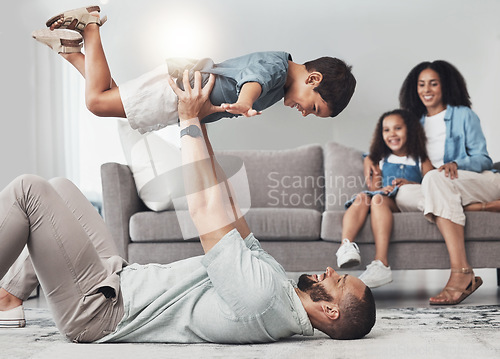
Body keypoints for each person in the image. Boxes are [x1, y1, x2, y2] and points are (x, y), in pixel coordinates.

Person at [0, 70, 376, 342]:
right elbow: (227, 207)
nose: (331, 269)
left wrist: (187, 120)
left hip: (98, 310)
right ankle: (9, 297)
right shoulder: (279, 286)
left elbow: (204, 212)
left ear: (331, 311)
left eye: (339, 280)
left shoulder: (261, 300)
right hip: (118, 277)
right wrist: (205, 119)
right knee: (61, 188)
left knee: (28, 191)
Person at [31, 6, 356, 135]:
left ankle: (70, 51)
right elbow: (253, 81)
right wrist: (244, 103)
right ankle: (90, 26)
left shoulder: (282, 83)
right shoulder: (277, 67)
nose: (305, 113)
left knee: (114, 97)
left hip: (183, 99)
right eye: (313, 107)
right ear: (313, 79)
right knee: (98, 103)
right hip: (182, 88)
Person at [365, 60, 500, 305]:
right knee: (403, 193)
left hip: (477, 181)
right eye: (421, 84)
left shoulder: (463, 115)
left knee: (435, 179)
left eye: (433, 83)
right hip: (436, 186)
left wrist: (458, 164)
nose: (427, 89)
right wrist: (369, 159)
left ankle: (461, 272)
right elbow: (393, 147)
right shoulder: (415, 122)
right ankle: (483, 207)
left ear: (444, 86)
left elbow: (483, 158)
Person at [336, 109, 433, 288]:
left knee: (376, 199)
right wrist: (381, 188)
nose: (392, 134)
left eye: (397, 128)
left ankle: (381, 263)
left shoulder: (420, 160)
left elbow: (433, 186)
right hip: (385, 198)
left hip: (404, 201)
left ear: (409, 131)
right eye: (386, 130)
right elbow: (374, 189)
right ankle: (346, 246)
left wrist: (409, 183)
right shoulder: (380, 160)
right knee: (365, 197)